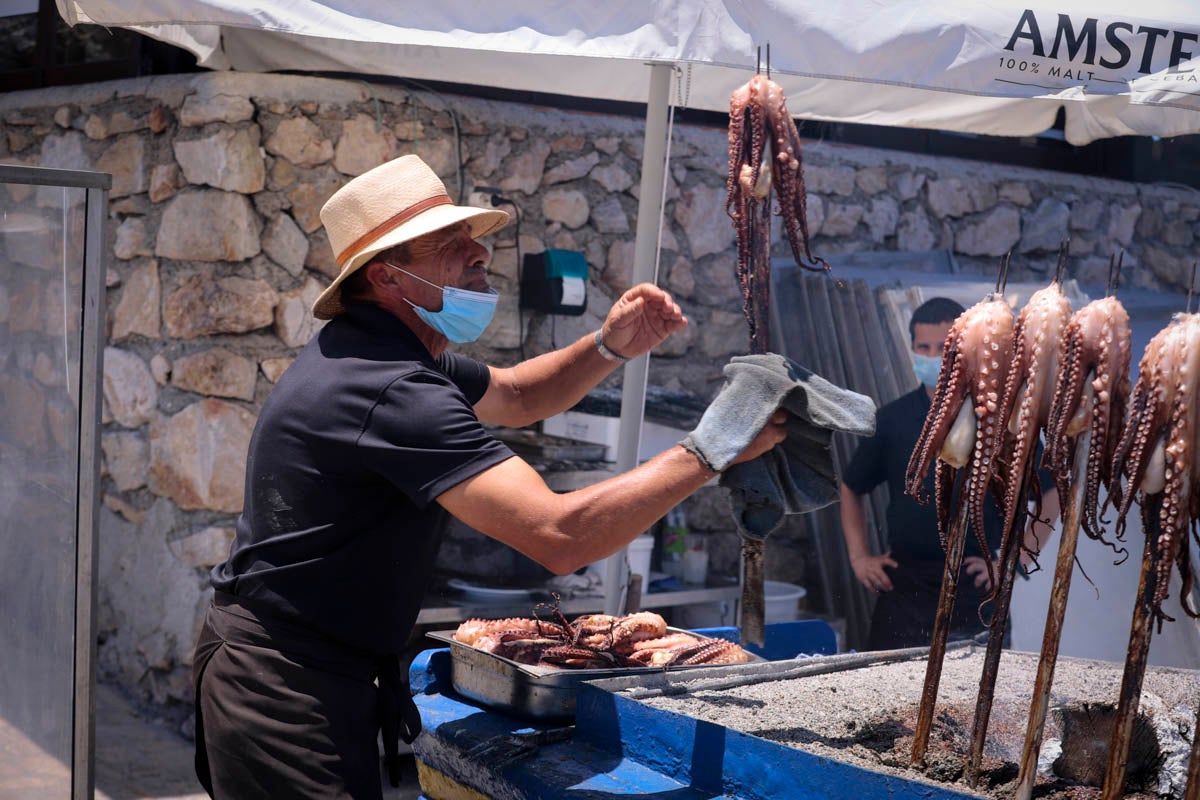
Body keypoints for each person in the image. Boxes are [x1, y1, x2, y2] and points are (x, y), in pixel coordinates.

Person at [191, 154, 789, 798]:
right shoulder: (391, 388)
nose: (479, 253)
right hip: (282, 687)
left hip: (297, 666)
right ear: (387, 277)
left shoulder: (385, 351)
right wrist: (710, 450)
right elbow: (558, 534)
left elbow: (515, 394)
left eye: (473, 238)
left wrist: (609, 345)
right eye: (451, 244)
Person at [838, 297, 1058, 651]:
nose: (933, 355)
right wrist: (859, 557)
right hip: (904, 585)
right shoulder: (893, 419)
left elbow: (1049, 493)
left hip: (977, 589)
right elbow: (852, 486)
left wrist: (1015, 562)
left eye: (944, 347)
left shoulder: (1000, 422)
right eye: (923, 347)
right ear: (911, 349)